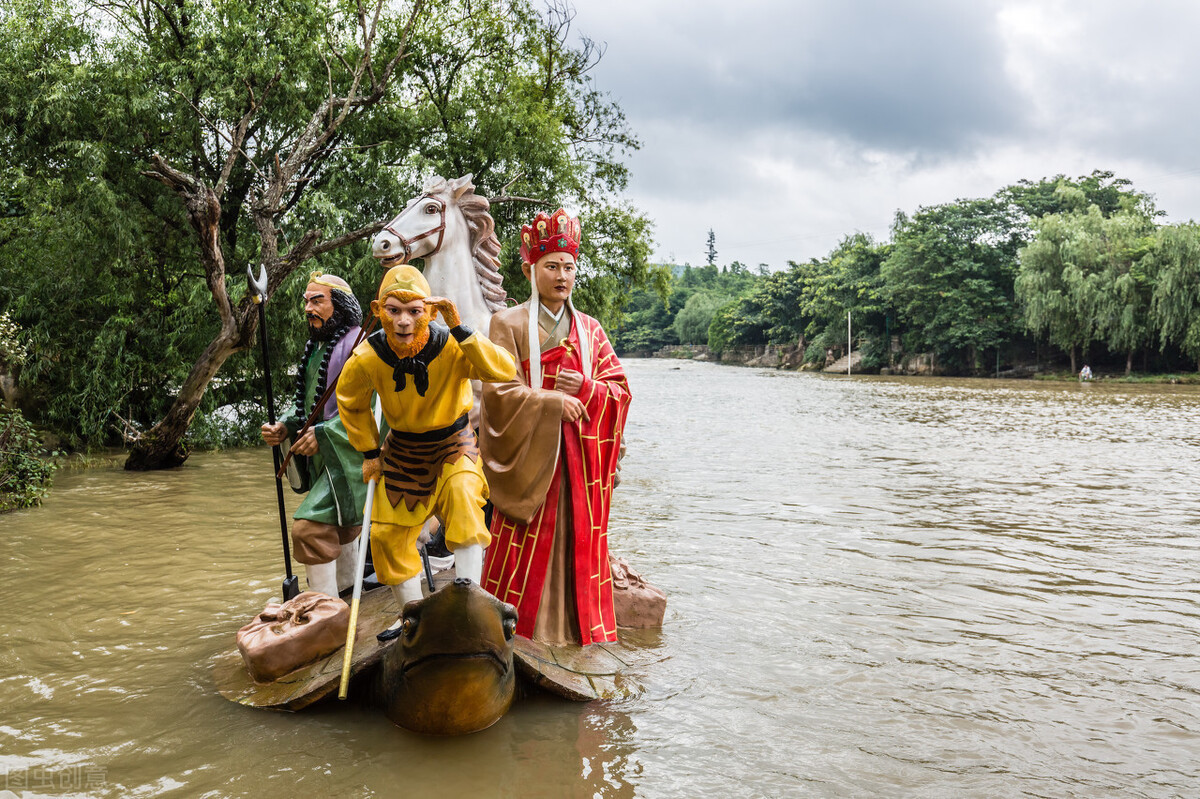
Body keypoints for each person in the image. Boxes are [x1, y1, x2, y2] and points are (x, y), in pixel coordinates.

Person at [335, 265, 516, 639]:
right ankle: (413, 617)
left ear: (430, 311)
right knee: (385, 536)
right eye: (393, 310)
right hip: (402, 450)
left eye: (414, 310)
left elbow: (502, 369)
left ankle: (469, 606)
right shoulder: (368, 356)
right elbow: (351, 402)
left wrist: (462, 329)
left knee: (465, 501)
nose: (403, 321)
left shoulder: (452, 344)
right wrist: (370, 451)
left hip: (453, 444)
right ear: (377, 310)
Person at [479, 209, 632, 646]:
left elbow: (618, 389)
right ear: (532, 269)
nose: (561, 276)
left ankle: (575, 632)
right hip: (533, 460)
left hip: (579, 465)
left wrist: (585, 388)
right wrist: (550, 402)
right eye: (551, 266)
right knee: (523, 543)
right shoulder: (506, 323)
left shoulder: (590, 329)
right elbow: (498, 392)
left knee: (576, 543)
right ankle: (516, 632)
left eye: (568, 267)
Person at [260, 272, 367, 597]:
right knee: (336, 528)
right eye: (306, 300)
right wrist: (284, 425)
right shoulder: (316, 350)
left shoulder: (360, 346)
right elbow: (307, 405)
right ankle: (347, 587)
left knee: (309, 529)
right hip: (326, 457)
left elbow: (372, 409)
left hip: (350, 457)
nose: (308, 308)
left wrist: (324, 434)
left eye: (317, 300)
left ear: (340, 304)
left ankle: (323, 606)